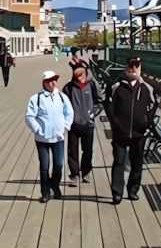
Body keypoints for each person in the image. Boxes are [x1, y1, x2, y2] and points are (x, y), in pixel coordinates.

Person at [103, 56, 156, 204]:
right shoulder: (117, 87)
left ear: (140, 70)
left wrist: (146, 123)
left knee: (137, 162)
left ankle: (133, 190)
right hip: (120, 133)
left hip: (139, 134)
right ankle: (117, 193)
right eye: (130, 69)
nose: (133, 72)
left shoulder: (146, 88)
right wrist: (114, 123)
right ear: (126, 69)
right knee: (119, 161)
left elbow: (153, 106)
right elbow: (107, 104)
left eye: (136, 69)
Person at [25, 70, 74, 203]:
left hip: (58, 137)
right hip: (42, 138)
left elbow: (69, 112)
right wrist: (37, 128)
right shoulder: (37, 98)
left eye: (54, 80)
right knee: (44, 165)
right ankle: (45, 192)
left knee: (58, 163)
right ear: (44, 82)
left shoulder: (62, 97)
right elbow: (30, 116)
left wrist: (65, 126)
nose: (53, 83)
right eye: (49, 81)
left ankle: (55, 186)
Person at [62, 62, 103, 185]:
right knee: (72, 150)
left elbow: (99, 102)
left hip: (88, 123)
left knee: (88, 150)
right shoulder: (68, 87)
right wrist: (67, 119)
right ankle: (74, 174)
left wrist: (93, 113)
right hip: (73, 124)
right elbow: (63, 105)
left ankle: (86, 172)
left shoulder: (92, 85)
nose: (78, 77)